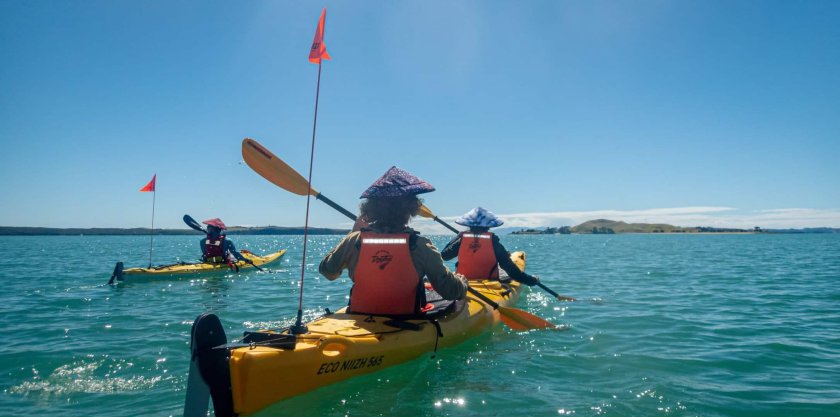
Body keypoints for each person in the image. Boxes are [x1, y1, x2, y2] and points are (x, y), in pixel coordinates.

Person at [319, 166, 468, 316]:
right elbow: (450, 291)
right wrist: (462, 282)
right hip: (405, 321)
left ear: (370, 208)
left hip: (359, 317)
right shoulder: (420, 245)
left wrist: (353, 233)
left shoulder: (354, 240)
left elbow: (328, 272)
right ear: (411, 208)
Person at [441, 207, 540, 286]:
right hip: (489, 281)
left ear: (469, 225)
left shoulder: (461, 241)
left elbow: (444, 256)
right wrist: (531, 281)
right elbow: (511, 270)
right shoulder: (493, 242)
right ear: (488, 226)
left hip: (463, 280)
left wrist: (458, 237)